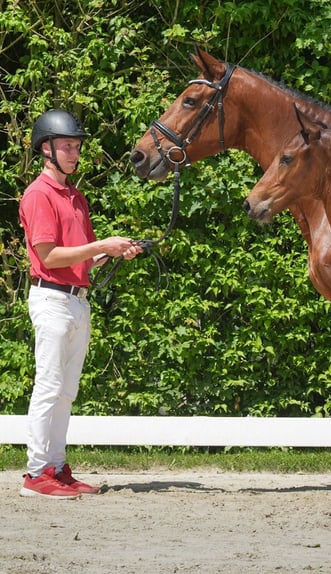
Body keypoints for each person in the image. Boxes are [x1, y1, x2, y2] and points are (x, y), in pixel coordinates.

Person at [18, 109, 142, 498]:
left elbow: (80, 256)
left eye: (76, 146)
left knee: (66, 390)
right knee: (49, 387)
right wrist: (100, 244)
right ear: (46, 148)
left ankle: (56, 465)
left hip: (76, 300)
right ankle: (36, 472)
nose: (74, 153)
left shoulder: (76, 197)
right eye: (68, 146)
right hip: (52, 299)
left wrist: (112, 252)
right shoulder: (39, 195)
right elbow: (50, 256)